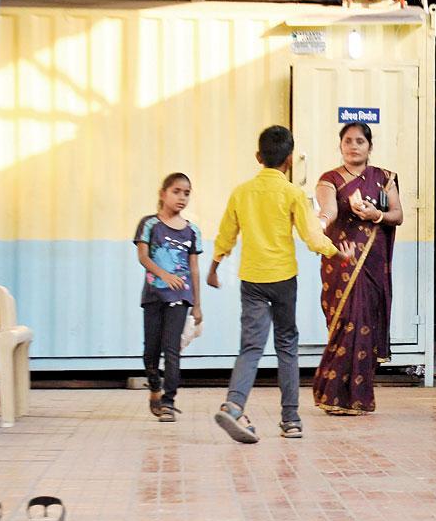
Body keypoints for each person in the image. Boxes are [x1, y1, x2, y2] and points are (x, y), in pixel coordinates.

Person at [208, 126, 354, 443]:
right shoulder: (292, 194)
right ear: (289, 160)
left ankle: (234, 404)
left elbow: (226, 234)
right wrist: (336, 253)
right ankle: (291, 420)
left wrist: (215, 266)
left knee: (251, 345)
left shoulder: (241, 192)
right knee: (286, 346)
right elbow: (311, 234)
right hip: (283, 279)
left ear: (258, 157)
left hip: (252, 279)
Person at [311, 123, 403, 415]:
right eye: (348, 141)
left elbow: (397, 215)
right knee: (346, 323)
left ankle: (358, 398)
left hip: (374, 264)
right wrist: (321, 223)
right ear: (340, 146)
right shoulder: (329, 179)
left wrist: (377, 214)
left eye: (360, 141)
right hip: (343, 261)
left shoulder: (384, 178)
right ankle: (332, 394)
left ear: (369, 146)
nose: (354, 146)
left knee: (366, 325)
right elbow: (329, 210)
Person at [133, 172, 203, 423]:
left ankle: (169, 402)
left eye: (186, 193)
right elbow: (143, 257)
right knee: (150, 352)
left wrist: (196, 305)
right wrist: (164, 274)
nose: (182, 197)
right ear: (163, 194)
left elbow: (194, 269)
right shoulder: (149, 224)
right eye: (176, 191)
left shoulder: (192, 231)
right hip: (153, 295)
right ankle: (154, 387)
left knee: (171, 349)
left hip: (180, 298)